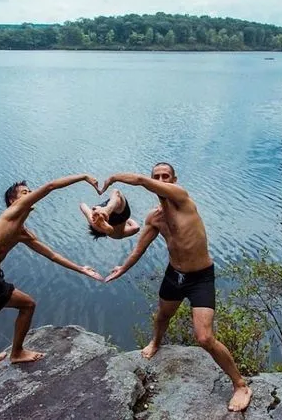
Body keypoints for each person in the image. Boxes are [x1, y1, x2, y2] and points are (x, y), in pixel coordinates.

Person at [101, 163, 252, 412]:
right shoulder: (155, 218)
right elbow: (139, 248)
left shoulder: (183, 199)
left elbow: (140, 180)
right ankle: (156, 342)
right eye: (157, 177)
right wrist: (122, 268)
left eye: (166, 177)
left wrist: (114, 177)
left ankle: (240, 385)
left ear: (174, 179)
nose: (162, 180)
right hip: (175, 275)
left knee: (204, 337)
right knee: (161, 316)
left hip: (200, 277)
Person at [0, 174, 104, 373]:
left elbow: (53, 256)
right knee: (28, 305)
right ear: (13, 201)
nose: (31, 194)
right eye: (25, 193)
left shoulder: (22, 232)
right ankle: (17, 353)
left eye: (30, 192)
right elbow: (49, 186)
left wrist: (81, 268)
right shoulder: (11, 213)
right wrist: (83, 177)